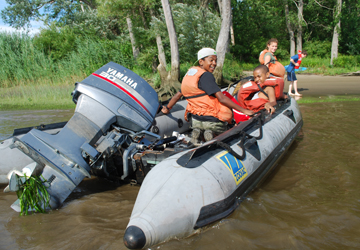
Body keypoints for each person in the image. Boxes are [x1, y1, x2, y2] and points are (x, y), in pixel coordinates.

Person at [162, 48, 254, 144]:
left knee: (202, 133)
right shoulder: (207, 76)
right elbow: (222, 99)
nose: (214, 63)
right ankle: (212, 133)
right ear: (201, 61)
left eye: (215, 60)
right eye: (211, 60)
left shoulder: (189, 76)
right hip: (214, 120)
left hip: (196, 120)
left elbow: (177, 96)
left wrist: (168, 108)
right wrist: (244, 110)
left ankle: (199, 132)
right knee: (228, 136)